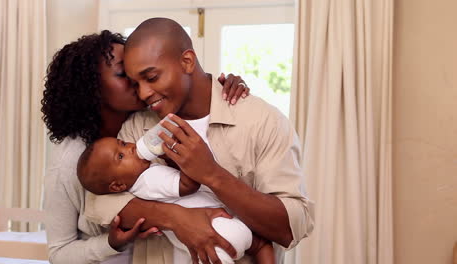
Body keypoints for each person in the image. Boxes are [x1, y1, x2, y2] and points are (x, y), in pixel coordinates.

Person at [85, 18, 314, 264]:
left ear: (187, 61)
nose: (143, 93)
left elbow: (292, 225)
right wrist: (176, 217)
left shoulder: (263, 121)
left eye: (151, 77)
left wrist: (212, 175)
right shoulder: (137, 126)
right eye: (135, 84)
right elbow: (101, 202)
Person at [41, 30, 251, 264]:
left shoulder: (149, 118)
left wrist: (224, 89)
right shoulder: (69, 161)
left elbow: (192, 85)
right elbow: (58, 253)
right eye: (125, 74)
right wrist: (111, 244)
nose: (137, 80)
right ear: (92, 89)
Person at [77, 137, 275, 264]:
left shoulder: (140, 191)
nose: (130, 147)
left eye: (122, 142)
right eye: (121, 156)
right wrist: (179, 157)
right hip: (218, 228)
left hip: (206, 240)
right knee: (261, 244)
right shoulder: (149, 178)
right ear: (118, 186)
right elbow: (188, 185)